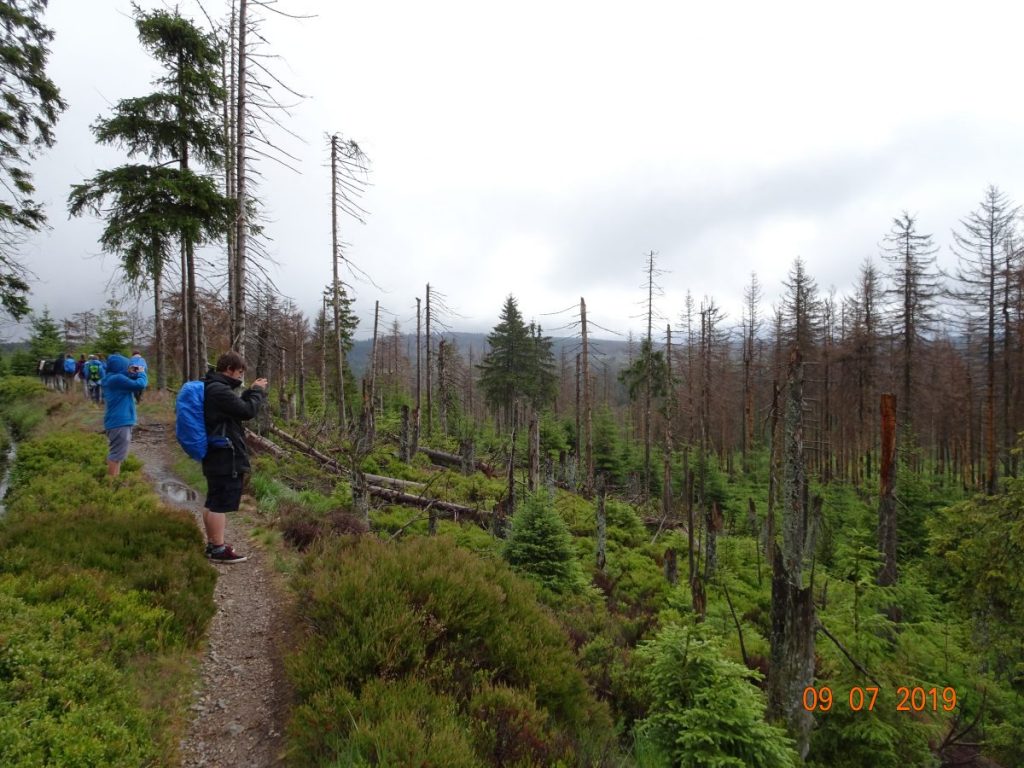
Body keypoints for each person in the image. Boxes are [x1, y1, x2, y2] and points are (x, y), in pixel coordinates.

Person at [201, 351, 267, 564]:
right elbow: (247, 411)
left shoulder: (214, 387)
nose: (240, 376)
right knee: (219, 504)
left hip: (217, 453)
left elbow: (236, 409)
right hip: (225, 455)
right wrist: (257, 392)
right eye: (239, 372)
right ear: (229, 369)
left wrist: (249, 392)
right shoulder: (219, 390)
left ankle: (213, 544)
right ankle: (218, 549)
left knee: (213, 501)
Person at [100, 353, 148, 477]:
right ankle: (112, 483)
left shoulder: (111, 378)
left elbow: (128, 377)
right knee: (116, 456)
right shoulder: (117, 379)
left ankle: (114, 480)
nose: (128, 369)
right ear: (120, 367)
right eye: (126, 366)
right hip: (119, 423)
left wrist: (133, 370)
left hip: (117, 422)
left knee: (118, 455)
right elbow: (140, 384)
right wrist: (141, 371)